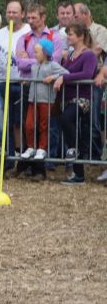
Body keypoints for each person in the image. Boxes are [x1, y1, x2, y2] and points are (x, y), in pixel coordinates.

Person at [54, 23, 98, 184]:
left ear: (80, 36)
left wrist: (64, 78)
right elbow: (63, 72)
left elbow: (87, 73)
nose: (68, 37)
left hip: (82, 98)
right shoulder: (70, 54)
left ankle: (75, 149)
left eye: (71, 34)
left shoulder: (89, 55)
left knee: (67, 119)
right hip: (67, 97)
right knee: (68, 126)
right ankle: (78, 174)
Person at [0, 0, 31, 165]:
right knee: (4, 123)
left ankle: (23, 161)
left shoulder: (28, 31)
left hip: (23, 83)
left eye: (15, 12)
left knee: (20, 123)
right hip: (3, 83)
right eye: (9, 12)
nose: (12, 15)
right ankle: (6, 162)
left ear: (22, 14)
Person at [20, 39, 67, 164]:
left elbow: (66, 73)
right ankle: (30, 147)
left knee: (43, 125)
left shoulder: (53, 65)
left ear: (45, 53)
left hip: (46, 100)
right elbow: (35, 77)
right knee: (29, 124)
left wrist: (53, 77)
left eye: (37, 52)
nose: (34, 54)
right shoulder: (34, 66)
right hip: (32, 99)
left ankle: (42, 148)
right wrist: (28, 81)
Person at [73, 2, 106, 163]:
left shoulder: (100, 30)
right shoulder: (74, 32)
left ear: (86, 14)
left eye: (76, 15)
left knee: (93, 120)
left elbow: (97, 51)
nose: (74, 17)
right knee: (79, 119)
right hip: (78, 80)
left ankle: (96, 155)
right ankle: (83, 153)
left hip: (94, 80)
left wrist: (79, 56)